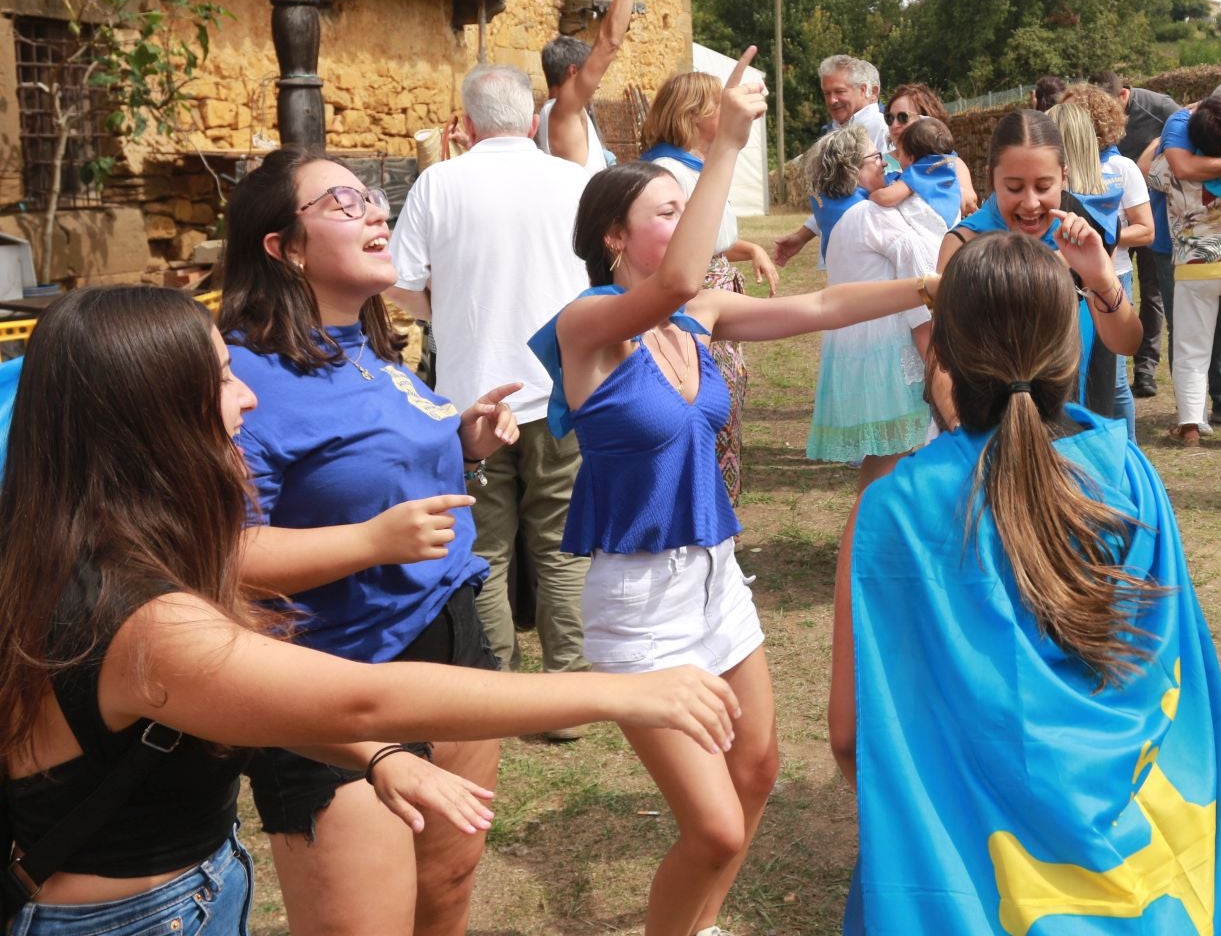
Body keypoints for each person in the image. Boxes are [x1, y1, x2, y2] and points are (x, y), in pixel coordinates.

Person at [0, 286, 740, 936]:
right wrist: (626, 691)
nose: (249, 397)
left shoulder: (84, 550)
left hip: (173, 896)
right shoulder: (137, 615)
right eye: (224, 379)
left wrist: (375, 757)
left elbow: (273, 705)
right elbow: (360, 698)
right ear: (152, 414)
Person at [532, 64, 938, 936]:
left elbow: (823, 302)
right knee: (714, 827)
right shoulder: (586, 327)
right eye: (668, 214)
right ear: (614, 238)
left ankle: (701, 926)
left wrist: (930, 286)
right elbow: (674, 282)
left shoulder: (697, 317)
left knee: (756, 771)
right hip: (639, 607)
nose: (689, 226)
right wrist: (724, 144)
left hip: (717, 581)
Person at [828, 231, 1221, 933]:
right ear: (1070, 350)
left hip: (975, 878)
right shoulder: (1125, 471)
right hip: (1150, 861)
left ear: (937, 350)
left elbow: (853, 734)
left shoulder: (895, 508)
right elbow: (1173, 669)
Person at [218, 148, 535, 936]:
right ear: (284, 248)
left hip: (451, 641)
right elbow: (219, 559)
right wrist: (369, 541)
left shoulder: (367, 342)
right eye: (344, 202)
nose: (375, 212)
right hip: (338, 678)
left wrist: (463, 440)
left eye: (373, 198)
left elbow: (362, 463)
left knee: (450, 882)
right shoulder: (237, 376)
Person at [385, 63, 595, 708]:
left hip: (471, 398)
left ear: (468, 124)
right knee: (562, 541)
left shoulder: (439, 183)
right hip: (562, 385)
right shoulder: (576, 180)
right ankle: (568, 686)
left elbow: (396, 278)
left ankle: (495, 681)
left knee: (489, 541)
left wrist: (441, 311)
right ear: (532, 121)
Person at [937, 109, 1142, 424]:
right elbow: (940, 359)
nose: (1031, 203)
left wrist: (1100, 279)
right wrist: (961, 433)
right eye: (1015, 188)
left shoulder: (1085, 231)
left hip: (1077, 425)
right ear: (990, 176)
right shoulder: (964, 245)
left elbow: (1125, 342)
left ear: (1064, 174)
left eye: (1044, 187)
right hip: (990, 431)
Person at [641, 59, 779, 506]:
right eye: (718, 103)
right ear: (692, 114)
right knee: (708, 408)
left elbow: (712, 236)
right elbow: (681, 248)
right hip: (695, 306)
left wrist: (751, 249)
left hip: (712, 298)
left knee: (724, 405)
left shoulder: (695, 167)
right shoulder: (668, 174)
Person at [803, 126, 941, 487]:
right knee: (897, 455)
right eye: (875, 158)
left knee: (886, 458)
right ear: (852, 169)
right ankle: (867, 536)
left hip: (862, 348)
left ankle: (870, 532)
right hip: (892, 348)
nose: (884, 163)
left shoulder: (840, 220)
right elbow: (918, 274)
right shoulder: (870, 215)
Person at [1142, 80, 1221, 425]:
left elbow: (1143, 167)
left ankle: (1190, 422)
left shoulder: (1172, 172)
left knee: (1190, 350)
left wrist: (1158, 140)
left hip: (1191, 269)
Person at [1049, 95, 1151, 438]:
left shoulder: (1080, 211)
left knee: (1089, 405)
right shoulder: (1091, 208)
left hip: (1085, 314)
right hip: (1095, 309)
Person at [539, 0, 665, 168]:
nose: (597, 84)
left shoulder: (550, 116)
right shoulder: (563, 111)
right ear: (573, 72)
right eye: (590, 72)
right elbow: (609, 43)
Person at [1093, 69, 1179, 399]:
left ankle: (1144, 370)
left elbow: (1189, 126)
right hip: (1110, 218)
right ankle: (1111, 362)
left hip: (1149, 213)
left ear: (1124, 96)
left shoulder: (1158, 106)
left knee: (1152, 293)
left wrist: (1159, 147)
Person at [770, 55, 889, 265]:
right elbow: (834, 197)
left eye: (840, 91)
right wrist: (801, 236)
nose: (832, 100)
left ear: (864, 90)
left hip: (870, 251)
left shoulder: (882, 128)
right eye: (827, 93)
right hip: (842, 251)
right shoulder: (835, 131)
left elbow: (890, 190)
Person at [883, 83, 978, 212]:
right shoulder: (878, 163)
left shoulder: (950, 161)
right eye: (889, 118)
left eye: (902, 117)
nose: (894, 125)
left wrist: (921, 184)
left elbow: (970, 202)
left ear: (926, 119)